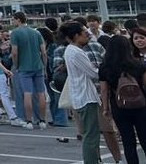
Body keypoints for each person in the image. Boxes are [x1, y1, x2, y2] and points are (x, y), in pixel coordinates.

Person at [99, 35, 146, 164]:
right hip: (140, 105)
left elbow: (104, 90)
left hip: (119, 106)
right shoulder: (138, 64)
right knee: (144, 137)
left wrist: (105, 108)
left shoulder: (105, 67)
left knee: (128, 141)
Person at [62, 21, 102, 164]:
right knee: (91, 136)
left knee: (90, 134)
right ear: (76, 35)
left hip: (81, 95)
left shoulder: (71, 50)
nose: (88, 36)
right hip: (85, 96)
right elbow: (93, 73)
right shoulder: (76, 52)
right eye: (85, 33)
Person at [10, 12, 49, 129]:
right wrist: (44, 66)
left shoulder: (15, 33)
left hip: (24, 67)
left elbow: (15, 52)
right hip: (38, 66)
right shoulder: (36, 33)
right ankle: (42, 120)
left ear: (18, 20)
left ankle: (28, 120)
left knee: (27, 93)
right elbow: (44, 52)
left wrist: (16, 65)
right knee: (41, 93)